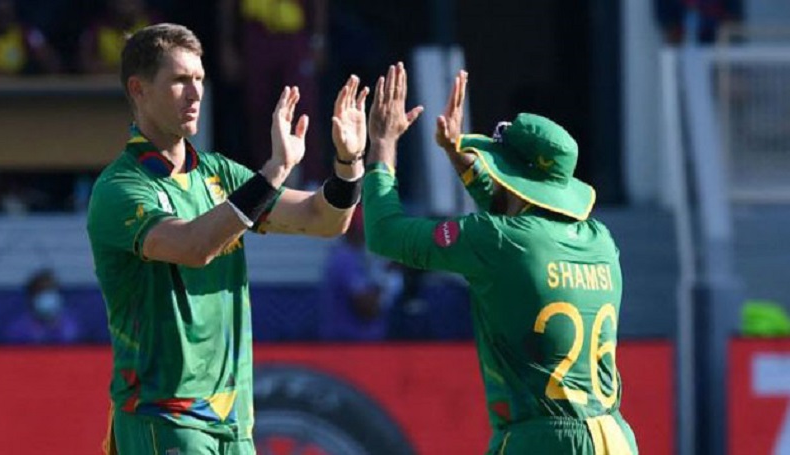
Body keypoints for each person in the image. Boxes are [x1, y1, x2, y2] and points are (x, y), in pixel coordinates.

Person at [86, 23, 367, 455]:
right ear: (138, 89)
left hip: (234, 423)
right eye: (180, 80)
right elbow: (193, 247)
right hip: (165, 417)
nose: (195, 93)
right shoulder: (120, 187)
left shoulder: (218, 173)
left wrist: (348, 164)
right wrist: (274, 171)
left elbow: (322, 220)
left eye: (199, 79)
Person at [362, 63, 638, 454]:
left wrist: (382, 143)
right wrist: (457, 155)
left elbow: (384, 234)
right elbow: (516, 224)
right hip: (615, 436)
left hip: (544, 440)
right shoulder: (601, 241)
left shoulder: (497, 241)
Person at [216, 0, 327, 185]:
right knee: (259, 108)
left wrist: (318, 38)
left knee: (303, 106)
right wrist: (227, 44)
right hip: (256, 31)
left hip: (293, 31)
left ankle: (311, 179)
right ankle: (268, 181)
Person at [319, 205, 402, 341]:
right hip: (347, 343)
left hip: (364, 342)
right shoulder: (345, 259)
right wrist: (387, 280)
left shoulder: (361, 256)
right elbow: (367, 308)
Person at [0, 0, 60, 75]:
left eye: (6, 15)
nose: (2, 20)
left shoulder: (26, 34)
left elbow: (53, 66)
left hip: (16, 90)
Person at [77, 0, 160, 74]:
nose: (128, 4)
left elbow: (160, 63)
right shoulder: (97, 29)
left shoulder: (153, 25)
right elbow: (87, 64)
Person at [4, 268, 81, 344]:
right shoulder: (19, 328)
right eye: (42, 291)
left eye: (50, 291)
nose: (47, 296)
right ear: (32, 296)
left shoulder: (68, 324)